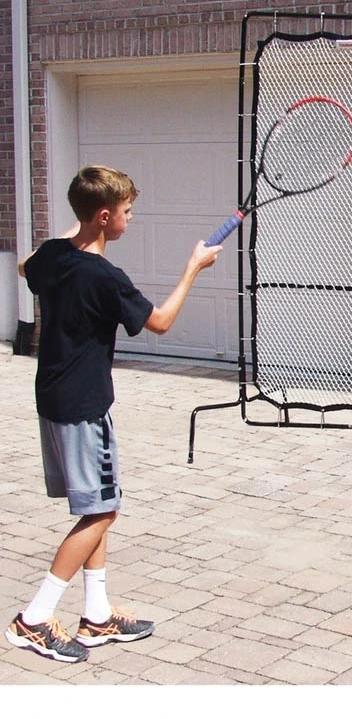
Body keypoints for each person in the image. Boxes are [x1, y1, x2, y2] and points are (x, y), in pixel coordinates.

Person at [5, 165, 222, 663]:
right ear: (105, 216)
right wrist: (193, 268)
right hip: (84, 406)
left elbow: (25, 267)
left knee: (95, 505)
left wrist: (79, 227)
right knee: (104, 511)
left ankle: (97, 615)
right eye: (126, 211)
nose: (131, 218)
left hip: (53, 398)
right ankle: (34, 619)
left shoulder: (53, 256)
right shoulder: (105, 277)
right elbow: (160, 323)